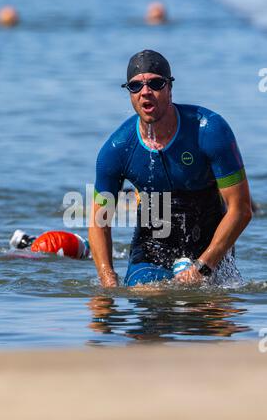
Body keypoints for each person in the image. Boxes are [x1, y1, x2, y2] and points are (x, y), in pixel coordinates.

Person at [88, 50, 252, 287]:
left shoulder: (210, 131)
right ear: (130, 93)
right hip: (152, 251)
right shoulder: (116, 149)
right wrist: (108, 281)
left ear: (169, 88)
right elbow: (98, 222)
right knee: (149, 294)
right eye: (136, 87)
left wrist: (203, 267)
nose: (145, 91)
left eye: (155, 83)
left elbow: (241, 209)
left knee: (213, 314)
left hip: (210, 250)